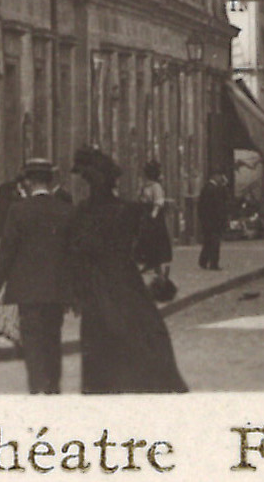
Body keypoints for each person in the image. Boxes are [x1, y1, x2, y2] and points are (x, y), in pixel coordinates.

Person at [60, 146, 187, 393]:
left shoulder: (80, 214)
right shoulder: (129, 211)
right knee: (146, 341)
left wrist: (75, 291)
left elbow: (72, 255)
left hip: (96, 292)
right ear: (112, 183)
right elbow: (151, 250)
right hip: (126, 286)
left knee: (101, 357)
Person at [0, 158, 74, 395]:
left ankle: (37, 387)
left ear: (29, 183)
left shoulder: (19, 211)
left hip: (27, 289)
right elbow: (74, 252)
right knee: (53, 337)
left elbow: (7, 251)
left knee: (31, 340)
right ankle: (53, 386)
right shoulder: (65, 210)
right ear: (49, 182)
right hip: (57, 289)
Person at [194, 171, 232, 272]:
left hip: (207, 221)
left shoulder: (207, 188)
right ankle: (213, 263)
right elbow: (221, 204)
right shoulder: (214, 189)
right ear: (215, 176)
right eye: (220, 176)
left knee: (208, 241)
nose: (221, 179)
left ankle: (203, 261)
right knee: (215, 242)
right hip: (214, 221)